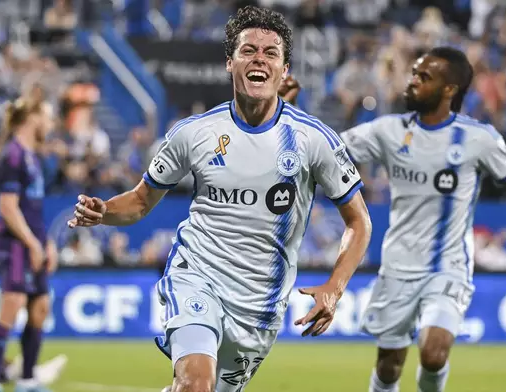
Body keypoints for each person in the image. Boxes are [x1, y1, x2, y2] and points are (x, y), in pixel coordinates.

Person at [67, 6, 372, 392]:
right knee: (196, 384)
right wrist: (106, 210)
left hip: (259, 307)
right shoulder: (193, 133)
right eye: (248, 51)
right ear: (230, 62)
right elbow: (141, 202)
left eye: (270, 52)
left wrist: (336, 285)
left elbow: (359, 221)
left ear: (284, 68)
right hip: (198, 276)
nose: (259, 58)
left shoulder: (314, 140)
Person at [340, 47, 506, 392]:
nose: (413, 81)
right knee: (389, 367)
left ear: (449, 89)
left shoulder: (477, 138)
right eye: (414, 73)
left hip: (448, 267)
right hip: (397, 266)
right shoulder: (389, 131)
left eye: (424, 77)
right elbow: (330, 148)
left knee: (434, 353)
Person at [0, 97, 60, 392]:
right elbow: (7, 207)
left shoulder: (33, 156)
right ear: (32, 117)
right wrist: (31, 243)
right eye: (47, 117)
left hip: (34, 241)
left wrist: (47, 242)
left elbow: (33, 209)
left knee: (40, 307)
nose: (50, 124)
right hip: (16, 244)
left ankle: (27, 379)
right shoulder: (12, 155)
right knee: (11, 306)